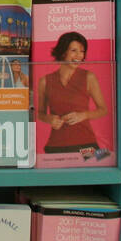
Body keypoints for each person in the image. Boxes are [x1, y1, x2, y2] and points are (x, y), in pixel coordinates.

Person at [38, 31, 109, 159]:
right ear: (63, 52)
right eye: (74, 50)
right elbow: (40, 113)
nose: (79, 56)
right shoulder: (45, 81)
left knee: (103, 162)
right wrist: (49, 119)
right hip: (55, 147)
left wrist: (83, 115)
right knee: (59, 178)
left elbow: (103, 110)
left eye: (82, 51)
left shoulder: (89, 77)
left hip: (86, 145)